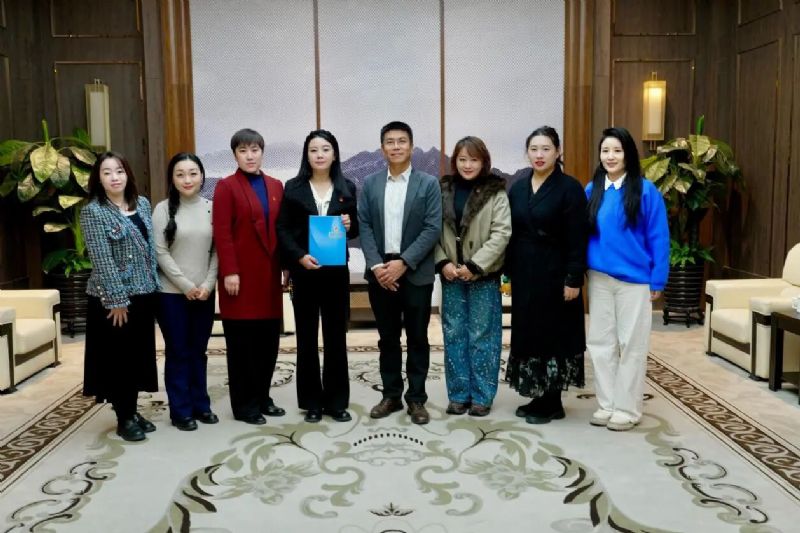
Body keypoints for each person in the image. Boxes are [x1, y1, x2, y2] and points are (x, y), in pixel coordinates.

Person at [585, 127, 669, 431]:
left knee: (631, 345)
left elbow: (659, 237)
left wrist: (658, 279)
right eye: (605, 151)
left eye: (617, 151)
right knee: (600, 343)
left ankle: (627, 409)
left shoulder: (645, 190)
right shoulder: (592, 190)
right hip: (599, 279)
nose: (610, 157)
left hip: (634, 281)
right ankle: (607, 404)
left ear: (628, 154)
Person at [358, 121, 442, 425]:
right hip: (381, 273)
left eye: (402, 141)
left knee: (418, 338)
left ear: (411, 146)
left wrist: (403, 262)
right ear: (382, 148)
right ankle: (391, 395)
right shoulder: (370, 183)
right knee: (388, 338)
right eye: (390, 142)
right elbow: (364, 225)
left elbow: (432, 227)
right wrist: (377, 265)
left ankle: (417, 399)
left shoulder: (428, 183)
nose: (396, 147)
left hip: (415, 272)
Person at [506, 126, 588, 424]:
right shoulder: (518, 187)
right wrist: (507, 271)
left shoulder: (570, 188)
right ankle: (538, 394)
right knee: (529, 331)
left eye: (546, 149)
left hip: (556, 273)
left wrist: (573, 278)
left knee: (554, 334)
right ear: (527, 153)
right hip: (525, 272)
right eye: (534, 149)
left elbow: (578, 237)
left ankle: (552, 401)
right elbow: (510, 232)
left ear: (558, 152)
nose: (539, 155)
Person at [277, 130, 358, 423]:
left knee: (336, 338)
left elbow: (356, 228)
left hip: (336, 274)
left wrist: (349, 224)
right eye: (314, 150)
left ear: (334, 154)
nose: (320, 154)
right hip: (305, 272)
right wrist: (299, 256)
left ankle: (336, 402)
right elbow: (283, 228)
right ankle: (311, 401)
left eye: (325, 149)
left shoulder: (347, 187)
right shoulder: (294, 187)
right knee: (307, 338)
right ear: (306, 155)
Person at [81, 151, 160, 441]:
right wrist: (116, 300)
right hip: (113, 300)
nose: (114, 177)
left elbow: (150, 249)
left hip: (144, 294)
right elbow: (101, 260)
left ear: (128, 174)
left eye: (119, 171)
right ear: (98, 179)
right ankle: (124, 417)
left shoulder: (142, 203)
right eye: (107, 172)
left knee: (138, 357)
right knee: (119, 360)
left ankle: (132, 409)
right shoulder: (93, 212)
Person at [213, 128, 285, 425]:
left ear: (262, 152)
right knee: (242, 346)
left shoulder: (276, 185)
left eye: (254, 149)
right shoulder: (226, 187)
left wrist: (287, 266)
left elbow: (282, 229)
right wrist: (229, 270)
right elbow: (222, 233)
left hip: (268, 277)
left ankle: (262, 396)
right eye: (243, 150)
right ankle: (244, 406)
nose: (250, 156)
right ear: (235, 155)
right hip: (239, 279)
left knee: (268, 343)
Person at [435, 136, 511, 417]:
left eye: (474, 159)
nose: (468, 165)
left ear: (484, 162)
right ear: (455, 161)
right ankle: (458, 394)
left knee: (483, 336)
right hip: (451, 274)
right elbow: (431, 229)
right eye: (462, 159)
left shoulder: (496, 193)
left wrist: (475, 266)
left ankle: (481, 396)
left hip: (483, 275)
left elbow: (501, 233)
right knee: (453, 333)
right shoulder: (442, 190)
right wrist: (442, 262)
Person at [152, 153, 219, 431]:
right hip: (171, 294)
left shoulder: (212, 208)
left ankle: (201, 405)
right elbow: (160, 253)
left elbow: (217, 251)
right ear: (172, 178)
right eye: (180, 174)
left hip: (204, 293)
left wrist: (208, 285)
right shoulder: (162, 209)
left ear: (202, 176)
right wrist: (186, 286)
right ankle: (181, 411)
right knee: (178, 351)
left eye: (193, 173)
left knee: (199, 351)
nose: (187, 179)